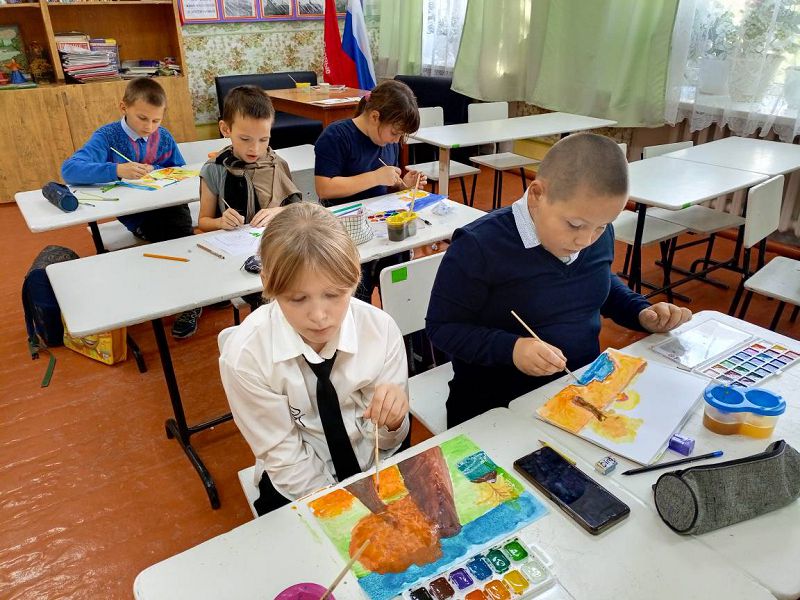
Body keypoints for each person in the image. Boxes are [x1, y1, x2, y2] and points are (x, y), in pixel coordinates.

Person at [426, 133, 692, 427]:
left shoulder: (594, 231)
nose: (585, 240)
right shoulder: (478, 246)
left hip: (579, 393)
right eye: (575, 225)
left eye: (602, 226)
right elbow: (443, 327)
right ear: (538, 194)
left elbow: (597, 280)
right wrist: (512, 349)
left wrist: (640, 312)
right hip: (497, 406)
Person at [219, 202, 410, 515]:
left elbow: (388, 442)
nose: (319, 316)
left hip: (375, 465)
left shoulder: (379, 330)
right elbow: (285, 458)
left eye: (334, 295)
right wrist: (345, 512)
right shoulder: (246, 357)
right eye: (297, 299)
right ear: (267, 283)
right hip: (298, 484)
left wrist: (393, 421)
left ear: (355, 277)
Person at [61, 77, 201, 339]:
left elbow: (179, 169)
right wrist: (117, 169)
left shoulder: (163, 136)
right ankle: (190, 298)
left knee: (182, 239)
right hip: (139, 215)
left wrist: (157, 170)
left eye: (156, 120)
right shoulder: (107, 137)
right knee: (174, 243)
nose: (149, 127)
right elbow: (69, 170)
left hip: (170, 207)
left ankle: (194, 294)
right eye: (142, 118)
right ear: (123, 107)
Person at [314, 79, 427, 302]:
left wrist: (403, 184)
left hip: (382, 229)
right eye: (394, 133)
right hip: (347, 235)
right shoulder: (336, 136)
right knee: (358, 297)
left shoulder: (389, 142)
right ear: (375, 116)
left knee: (399, 292)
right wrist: (375, 177)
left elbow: (386, 187)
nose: (396, 140)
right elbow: (324, 188)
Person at [197, 85, 301, 233]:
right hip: (232, 242)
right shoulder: (214, 168)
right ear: (226, 129)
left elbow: (297, 208)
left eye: (264, 139)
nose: (255, 149)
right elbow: (203, 222)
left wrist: (279, 212)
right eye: (245, 139)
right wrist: (220, 222)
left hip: (273, 238)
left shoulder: (276, 163)